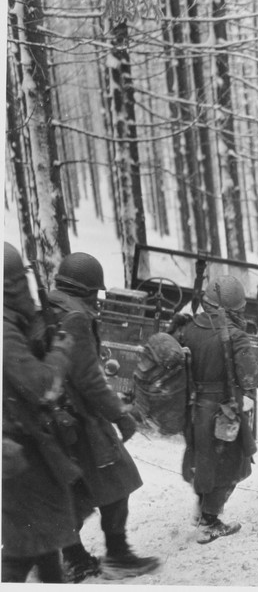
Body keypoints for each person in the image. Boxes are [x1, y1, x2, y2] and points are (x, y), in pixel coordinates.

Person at [48, 252, 159, 581]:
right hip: (82, 417)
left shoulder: (49, 306)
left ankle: (73, 556)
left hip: (57, 417)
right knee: (117, 479)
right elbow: (89, 380)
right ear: (86, 289)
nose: (96, 299)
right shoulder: (75, 317)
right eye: (95, 292)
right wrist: (120, 415)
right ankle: (118, 555)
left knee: (75, 489)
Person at [2, 243, 81, 583]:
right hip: (19, 450)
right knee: (22, 552)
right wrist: (60, 352)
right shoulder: (4, 331)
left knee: (46, 542)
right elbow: (40, 385)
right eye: (20, 280)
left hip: (26, 448)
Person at [177, 274, 258, 543]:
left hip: (193, 409)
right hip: (223, 410)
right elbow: (249, 378)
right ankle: (209, 521)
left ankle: (203, 511)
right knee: (231, 464)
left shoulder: (188, 328)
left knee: (203, 459)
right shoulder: (236, 336)